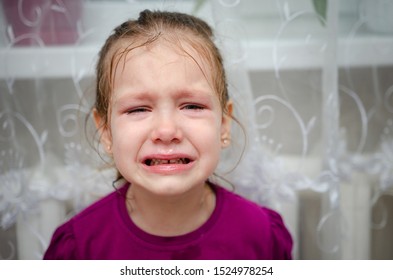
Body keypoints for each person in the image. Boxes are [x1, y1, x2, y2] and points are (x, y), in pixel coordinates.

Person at [43, 9, 292, 260]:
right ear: (106, 132)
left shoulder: (262, 236)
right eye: (138, 109)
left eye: (192, 106)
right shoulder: (78, 248)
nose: (166, 131)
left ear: (224, 124)